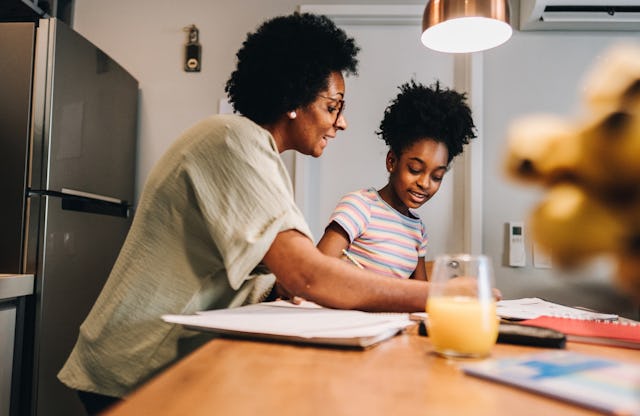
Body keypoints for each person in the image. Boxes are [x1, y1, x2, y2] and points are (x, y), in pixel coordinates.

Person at [56, 12, 444, 415]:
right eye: (333, 106)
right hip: (136, 361)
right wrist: (445, 297)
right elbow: (307, 273)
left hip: (159, 355)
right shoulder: (232, 140)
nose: (340, 123)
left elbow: (274, 275)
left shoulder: (256, 155)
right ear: (295, 101)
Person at [317, 80, 476, 280]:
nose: (425, 183)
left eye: (437, 176)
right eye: (415, 169)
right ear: (392, 161)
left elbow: (419, 294)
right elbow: (315, 272)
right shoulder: (360, 206)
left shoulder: (418, 230)